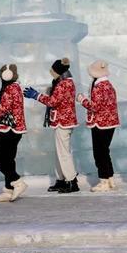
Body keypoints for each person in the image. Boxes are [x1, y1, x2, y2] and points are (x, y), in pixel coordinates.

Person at [24, 57, 79, 193]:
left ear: (58, 71)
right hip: (62, 121)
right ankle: (61, 179)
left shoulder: (64, 84)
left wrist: (36, 96)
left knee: (64, 153)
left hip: (63, 122)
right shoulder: (63, 82)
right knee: (60, 153)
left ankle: (72, 181)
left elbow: (53, 102)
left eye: (53, 71)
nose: (51, 73)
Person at [0, 63, 28, 203]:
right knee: (8, 160)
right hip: (15, 129)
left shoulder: (11, 89)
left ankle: (17, 181)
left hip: (9, 129)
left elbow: (3, 108)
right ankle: (8, 189)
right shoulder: (14, 87)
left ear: (6, 76)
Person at [78, 59, 120, 191]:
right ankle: (110, 178)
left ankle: (104, 181)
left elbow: (94, 107)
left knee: (99, 153)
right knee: (105, 151)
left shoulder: (98, 87)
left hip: (100, 123)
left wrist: (82, 100)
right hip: (110, 123)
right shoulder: (109, 85)